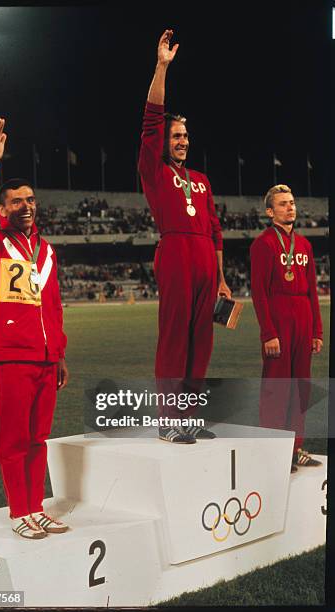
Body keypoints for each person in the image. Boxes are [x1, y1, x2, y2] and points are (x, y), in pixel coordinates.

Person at [0, 118, 70, 538]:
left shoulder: (45, 250)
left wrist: (60, 352)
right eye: (16, 202)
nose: (25, 206)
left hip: (46, 359)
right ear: (3, 208)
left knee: (38, 439)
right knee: (14, 440)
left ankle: (36, 507)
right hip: (13, 356)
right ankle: (18, 513)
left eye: (30, 200)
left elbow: (54, 306)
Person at [138, 30, 231, 443]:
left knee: (202, 342)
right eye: (176, 136)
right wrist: (161, 67)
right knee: (175, 339)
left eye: (186, 137)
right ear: (164, 142)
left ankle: (189, 416)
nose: (182, 142)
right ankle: (167, 420)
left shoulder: (202, 180)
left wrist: (222, 277)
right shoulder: (154, 173)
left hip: (206, 263)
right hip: (175, 252)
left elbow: (214, 230)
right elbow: (152, 121)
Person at [250, 184, 323, 472]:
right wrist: (268, 332)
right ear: (270, 211)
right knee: (277, 390)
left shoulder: (305, 245)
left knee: (300, 388)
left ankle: (296, 448)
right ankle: (273, 451)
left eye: (291, 202)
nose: (289, 207)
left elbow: (313, 292)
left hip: (303, 317)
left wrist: (317, 330)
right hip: (279, 319)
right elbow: (259, 292)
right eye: (282, 204)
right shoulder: (263, 244)